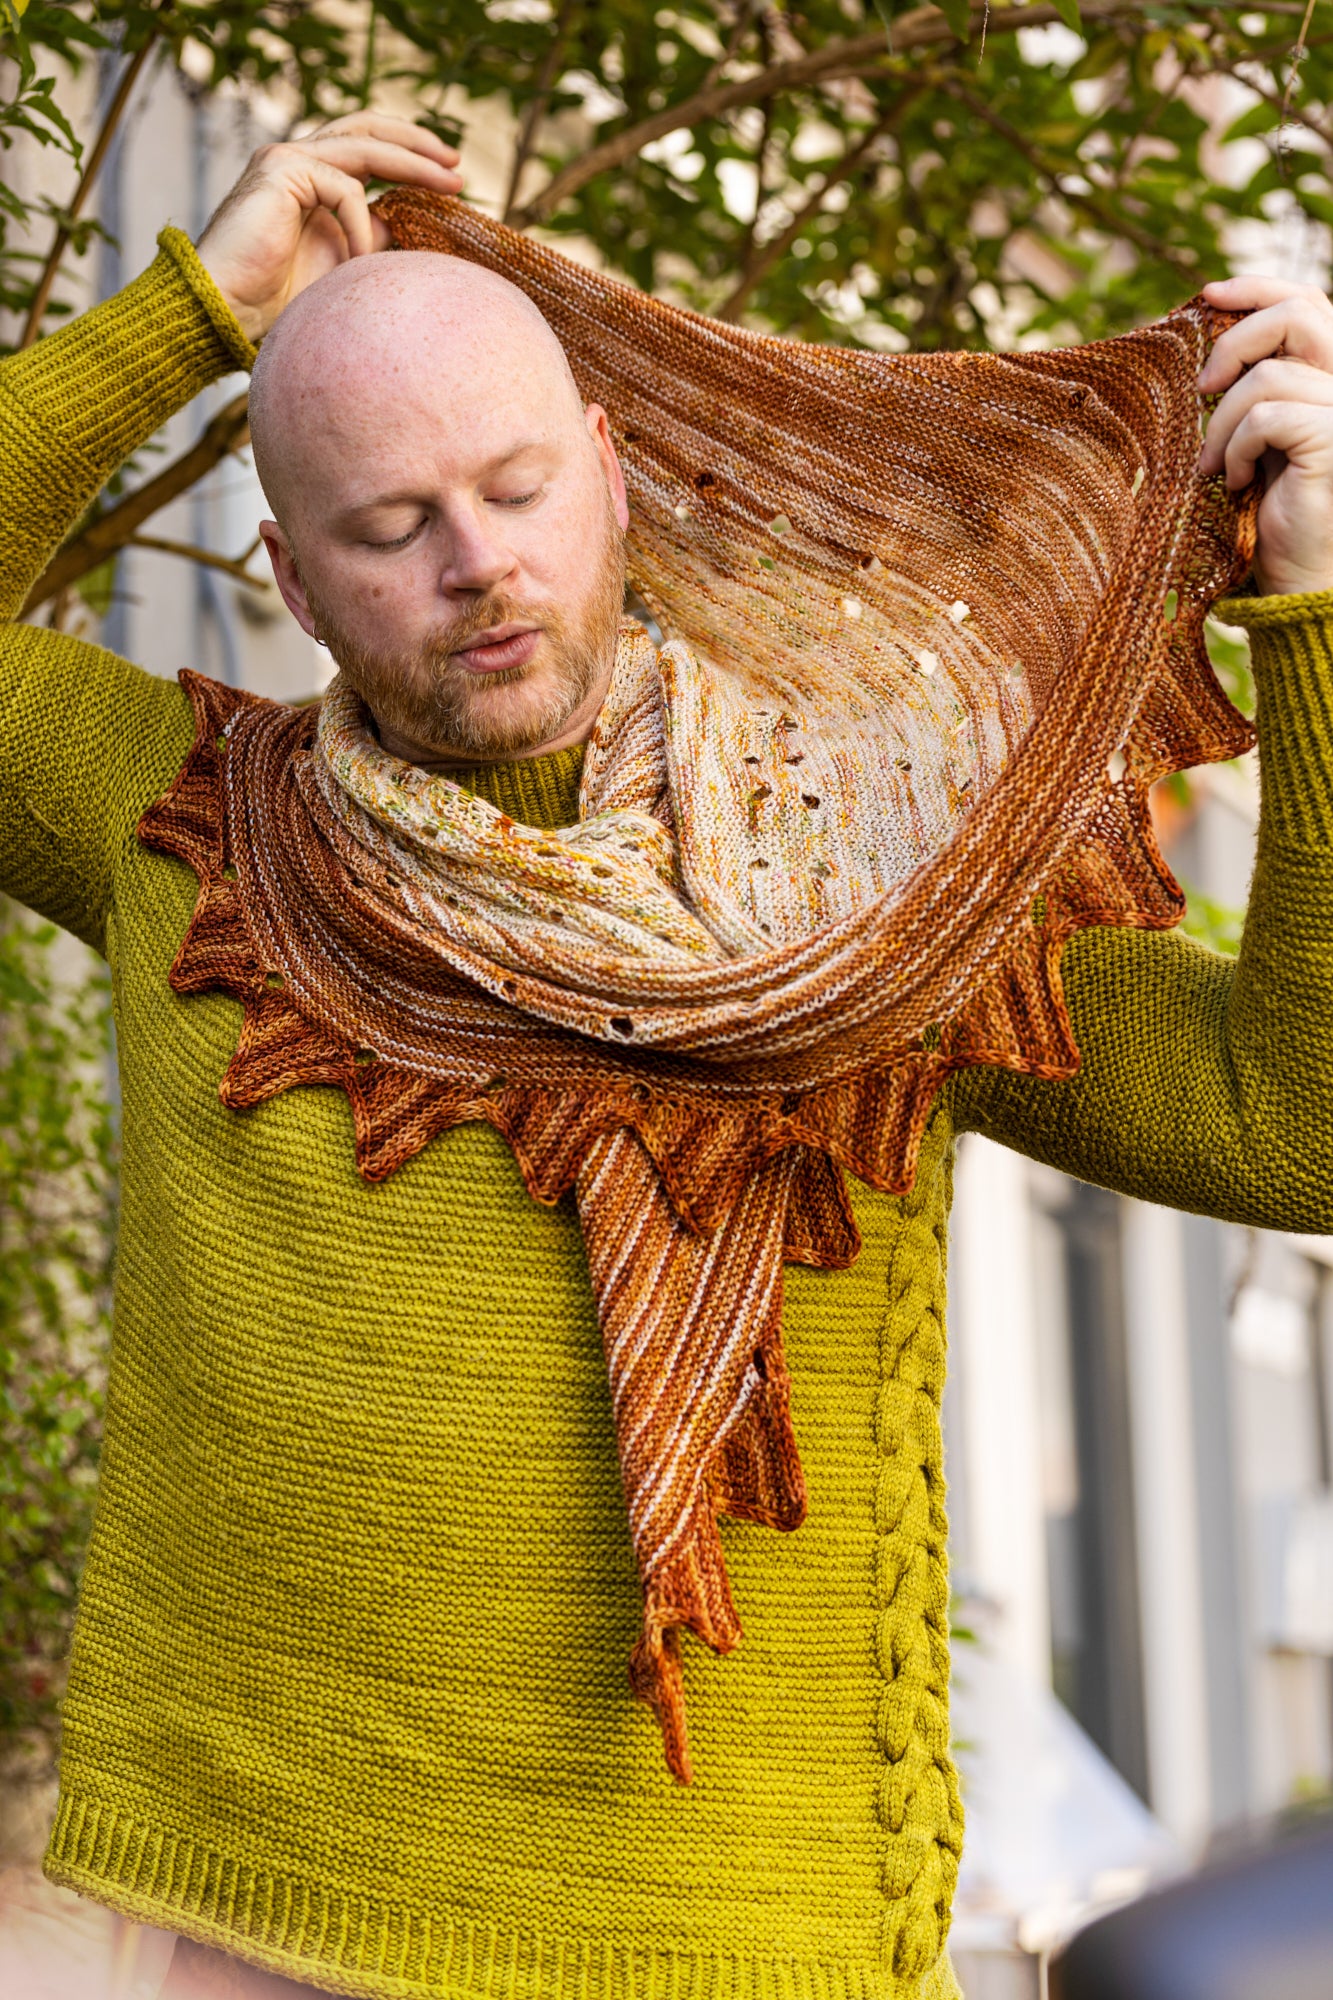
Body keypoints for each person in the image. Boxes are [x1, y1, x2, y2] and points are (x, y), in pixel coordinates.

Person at [1, 112, 1331, 2000]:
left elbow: (1304, 1133)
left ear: (613, 479)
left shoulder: (893, 900)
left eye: (518, 487)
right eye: (391, 528)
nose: (478, 563)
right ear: (291, 583)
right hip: (262, 1915)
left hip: (729, 1939)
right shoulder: (181, 832)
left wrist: (1320, 626)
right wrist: (189, 313)